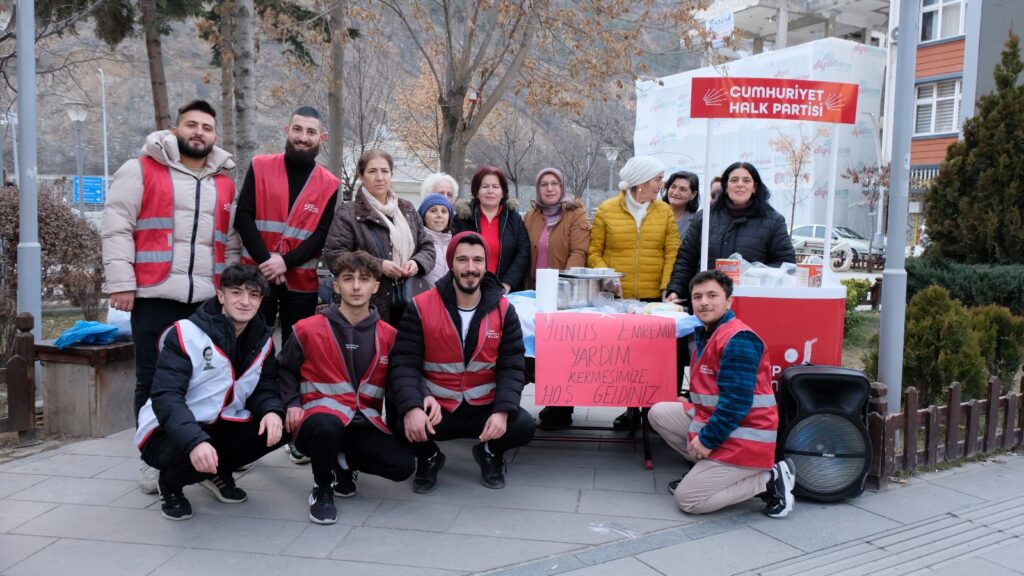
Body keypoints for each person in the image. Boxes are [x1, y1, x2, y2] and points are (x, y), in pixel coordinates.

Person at [102, 99, 239, 494]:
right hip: (153, 293)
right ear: (176, 129)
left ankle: (205, 459)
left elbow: (229, 243)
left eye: (207, 127)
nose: (199, 132)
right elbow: (116, 229)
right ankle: (151, 458)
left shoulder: (224, 182)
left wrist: (225, 294)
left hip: (204, 301)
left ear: (215, 136)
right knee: (151, 378)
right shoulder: (140, 170)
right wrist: (121, 283)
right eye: (192, 125)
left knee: (207, 381)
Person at [135, 265, 285, 521]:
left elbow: (265, 386)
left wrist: (272, 411)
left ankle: (216, 471)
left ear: (261, 301)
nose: (245, 301)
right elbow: (167, 396)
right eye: (236, 293)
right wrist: (194, 440)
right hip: (166, 431)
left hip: (222, 422)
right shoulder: (187, 333)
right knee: (182, 450)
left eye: (253, 295)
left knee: (285, 424)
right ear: (221, 295)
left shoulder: (262, 339)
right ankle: (170, 484)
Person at [389, 232, 535, 492]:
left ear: (486, 265)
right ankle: (429, 456)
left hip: (484, 407)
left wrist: (502, 412)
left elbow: (512, 367)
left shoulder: (503, 310)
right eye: (462, 260)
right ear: (451, 263)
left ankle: (490, 451)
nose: (470, 268)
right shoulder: (420, 306)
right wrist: (414, 404)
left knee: (523, 426)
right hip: (438, 408)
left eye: (478, 261)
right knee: (401, 422)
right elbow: (404, 362)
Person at [278, 251, 416, 524]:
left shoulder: (389, 335)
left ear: (375, 286)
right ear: (336, 285)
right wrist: (292, 404)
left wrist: (414, 410)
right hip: (315, 424)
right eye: (348, 278)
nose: (356, 286)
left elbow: (402, 380)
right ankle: (322, 488)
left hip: (363, 422)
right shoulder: (306, 329)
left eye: (364, 279)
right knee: (327, 427)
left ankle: (343, 461)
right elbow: (283, 370)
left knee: (401, 466)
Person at [648, 269, 795, 518]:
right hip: (724, 424)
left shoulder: (738, 339)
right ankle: (707, 471)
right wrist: (690, 401)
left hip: (747, 435)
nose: (704, 302)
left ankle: (768, 479)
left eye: (712, 295)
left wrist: (707, 441)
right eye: (697, 297)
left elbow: (736, 403)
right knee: (659, 413)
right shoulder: (708, 334)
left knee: (689, 500)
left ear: (728, 301)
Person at [588, 155, 680, 431]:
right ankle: (630, 410)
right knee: (626, 359)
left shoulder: (663, 212)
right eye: (657, 180)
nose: (661, 186)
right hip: (618, 299)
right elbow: (594, 252)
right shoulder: (607, 210)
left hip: (654, 299)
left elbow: (672, 251)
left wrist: (667, 287)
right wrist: (609, 276)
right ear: (640, 182)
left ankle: (654, 412)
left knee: (651, 360)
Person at [236, 106, 339, 346]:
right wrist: (267, 262)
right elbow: (243, 216)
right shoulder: (259, 166)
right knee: (251, 346)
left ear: (321, 138)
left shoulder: (330, 184)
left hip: (302, 281)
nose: (303, 137)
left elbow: (322, 234)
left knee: (297, 348)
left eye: (311, 132)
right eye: (297, 129)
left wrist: (285, 262)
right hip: (256, 275)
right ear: (287, 130)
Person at [323, 149, 435, 325]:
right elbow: (334, 255)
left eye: (384, 171)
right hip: (367, 304)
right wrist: (379, 265)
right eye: (372, 171)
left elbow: (427, 247)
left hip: (408, 300)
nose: (380, 177)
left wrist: (417, 263)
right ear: (361, 175)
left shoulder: (407, 209)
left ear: (391, 174)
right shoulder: (349, 213)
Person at [666, 162, 796, 310]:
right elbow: (685, 259)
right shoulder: (704, 217)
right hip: (705, 304)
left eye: (746, 180)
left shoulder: (773, 221)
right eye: (734, 180)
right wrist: (675, 290)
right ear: (726, 187)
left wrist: (751, 274)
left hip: (750, 304)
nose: (740, 184)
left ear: (755, 187)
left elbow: (786, 264)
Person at [524, 168, 591, 430]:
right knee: (540, 350)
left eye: (554, 184)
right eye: (544, 184)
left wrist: (564, 285)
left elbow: (579, 251)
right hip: (535, 292)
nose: (549, 188)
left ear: (562, 187)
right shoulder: (531, 216)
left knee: (563, 351)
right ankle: (550, 400)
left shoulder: (575, 214)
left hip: (564, 294)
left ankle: (562, 408)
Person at [452, 166, 530, 293]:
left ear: (503, 192)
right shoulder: (463, 218)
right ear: (476, 192)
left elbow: (523, 253)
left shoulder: (514, 220)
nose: (490, 191)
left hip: (505, 292)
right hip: (469, 289)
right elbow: (454, 254)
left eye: (495, 186)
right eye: (485, 186)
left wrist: (507, 284)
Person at [418, 194, 454, 286]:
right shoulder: (417, 242)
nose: (439, 215)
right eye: (433, 211)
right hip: (425, 297)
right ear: (423, 216)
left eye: (444, 211)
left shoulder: (455, 244)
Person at [663, 171, 700, 242]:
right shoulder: (654, 214)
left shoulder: (697, 222)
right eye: (673, 187)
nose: (676, 192)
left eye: (683, 189)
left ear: (693, 195)